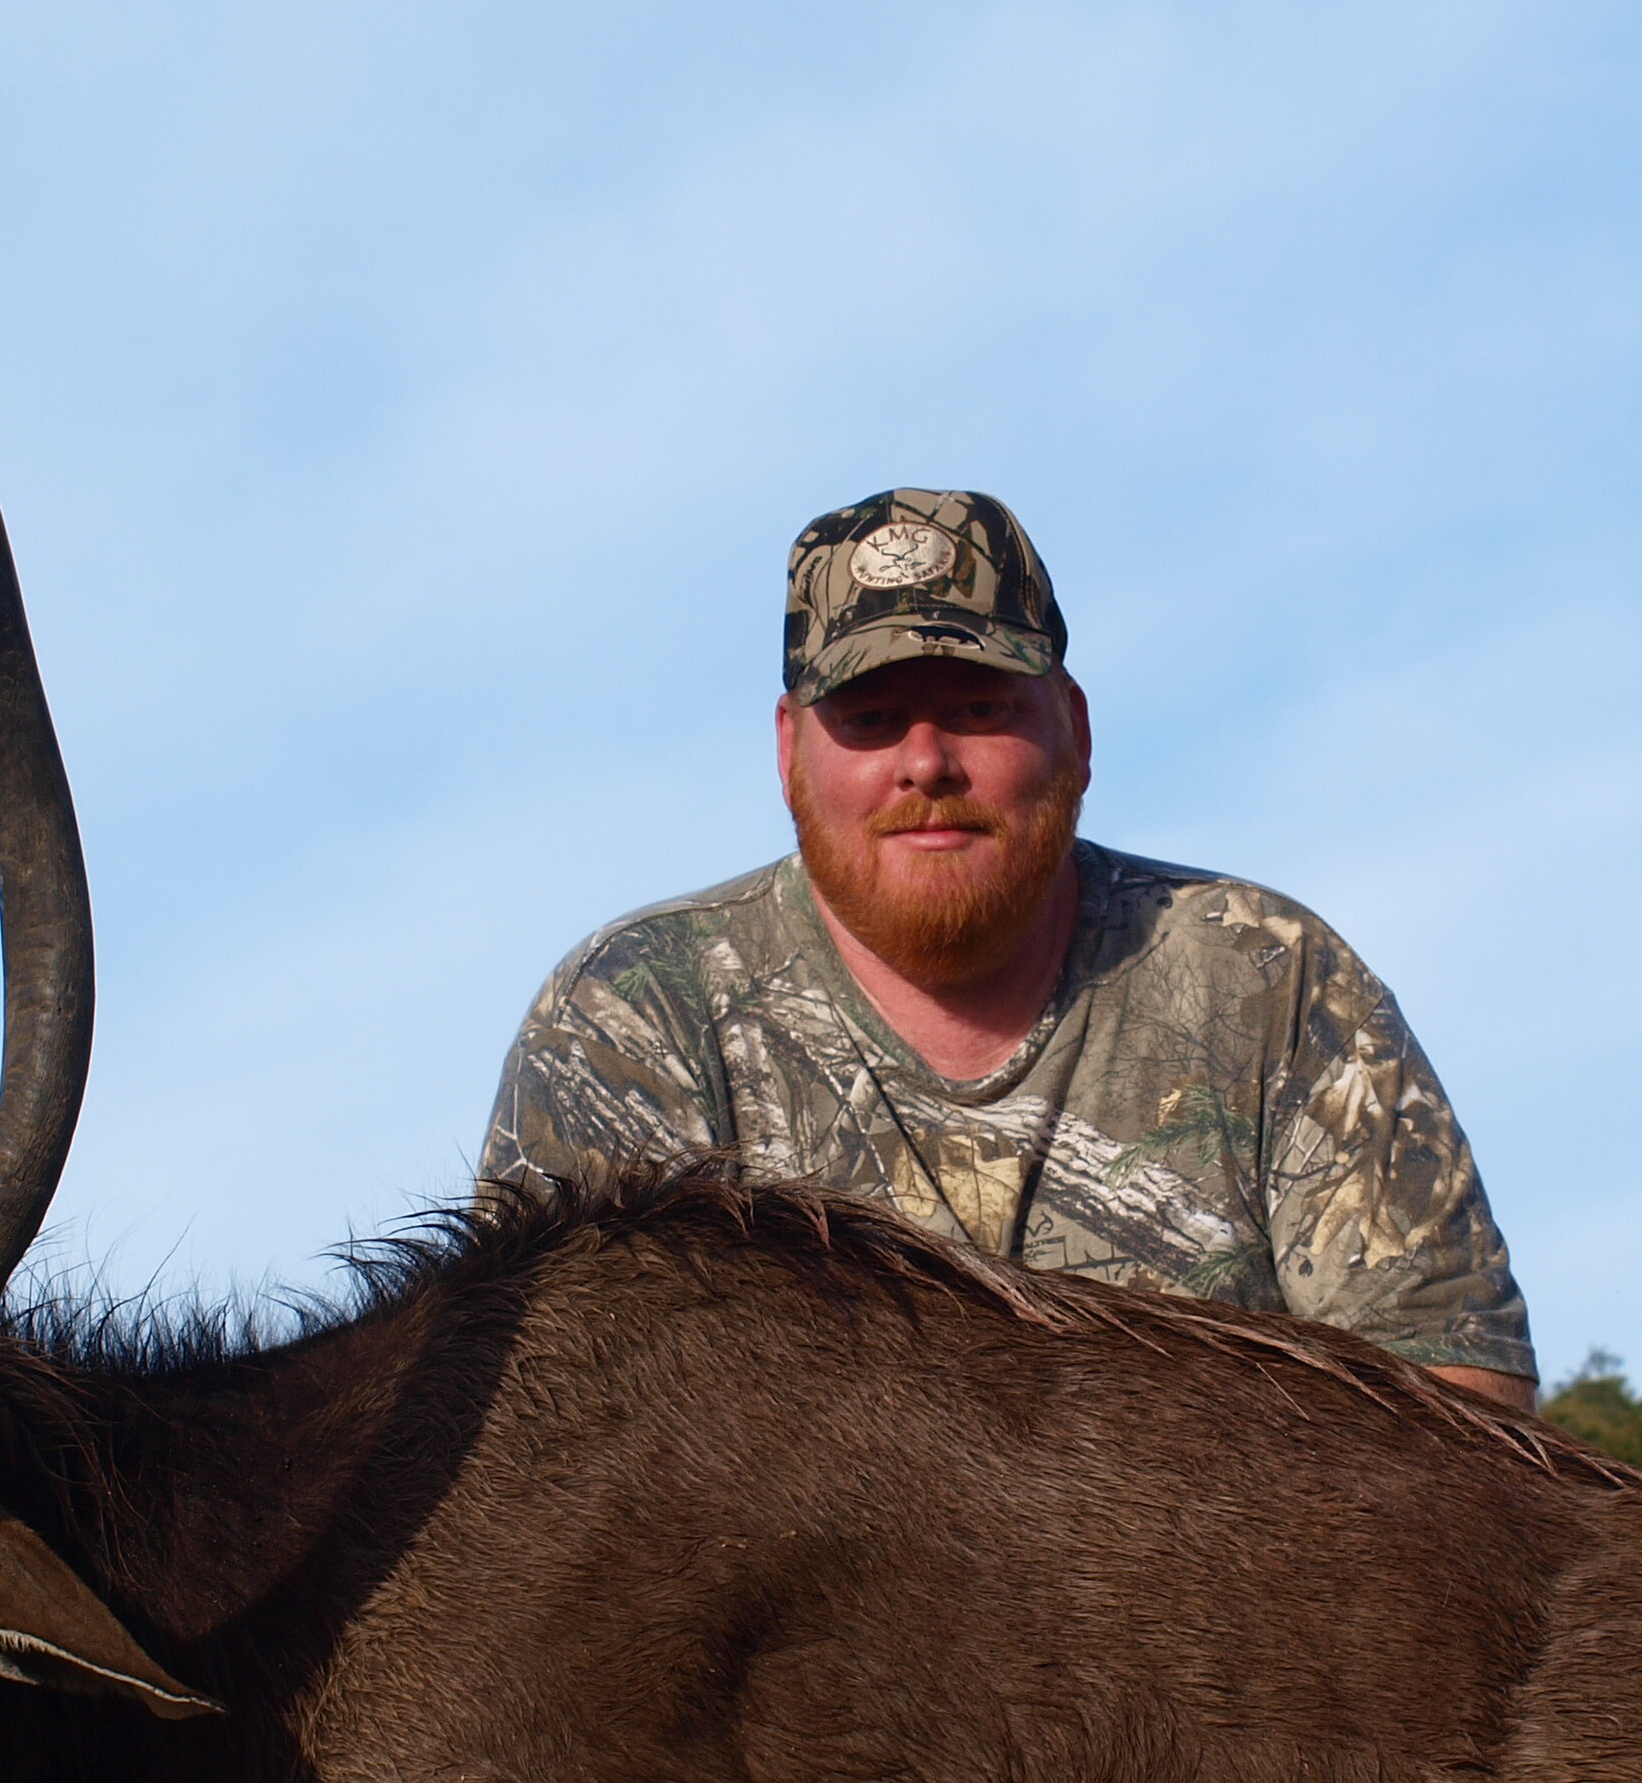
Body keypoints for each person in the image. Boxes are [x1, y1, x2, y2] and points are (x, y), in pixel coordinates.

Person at [479, 487, 1537, 1407]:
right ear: (789, 753)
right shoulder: (631, 1016)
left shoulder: (1268, 976)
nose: (928, 762)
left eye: (981, 706)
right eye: (873, 717)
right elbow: (560, 1453)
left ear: (1074, 730)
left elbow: (1455, 1404)